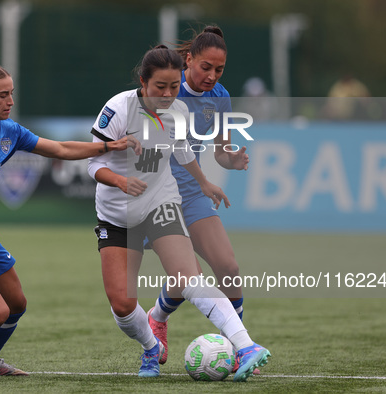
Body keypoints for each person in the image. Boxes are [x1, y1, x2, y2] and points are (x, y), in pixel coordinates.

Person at [0, 62, 132, 377]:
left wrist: (108, 146)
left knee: (16, 303)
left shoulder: (9, 131)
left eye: (11, 93)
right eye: (2, 95)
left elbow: (59, 148)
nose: (10, 101)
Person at [88, 45, 270, 381]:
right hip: (117, 216)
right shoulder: (118, 108)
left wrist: (204, 184)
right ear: (143, 82)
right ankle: (150, 347)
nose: (168, 94)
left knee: (191, 278)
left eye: (173, 87)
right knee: (123, 306)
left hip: (162, 204)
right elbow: (94, 162)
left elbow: (184, 151)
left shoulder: (177, 112)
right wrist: (120, 180)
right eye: (160, 87)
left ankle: (246, 346)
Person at [145, 26, 254, 373]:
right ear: (188, 59)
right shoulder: (167, 88)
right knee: (188, 273)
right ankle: (156, 319)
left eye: (219, 70)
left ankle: (239, 348)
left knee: (228, 268)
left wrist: (231, 159)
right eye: (206, 66)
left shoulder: (220, 96)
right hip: (157, 194)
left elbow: (220, 152)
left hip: (192, 193)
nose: (211, 76)